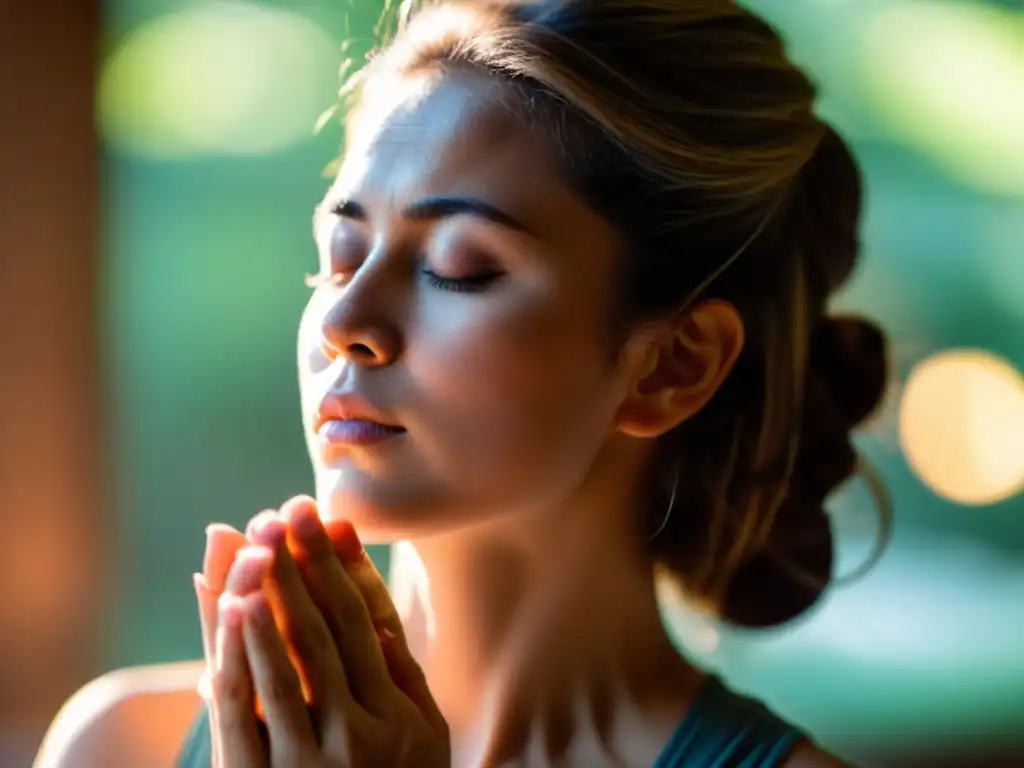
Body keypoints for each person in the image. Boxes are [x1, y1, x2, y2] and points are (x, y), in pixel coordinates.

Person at [41, 0, 892, 766]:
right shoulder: (117, 747)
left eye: (458, 267)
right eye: (339, 259)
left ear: (674, 365)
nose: (345, 324)